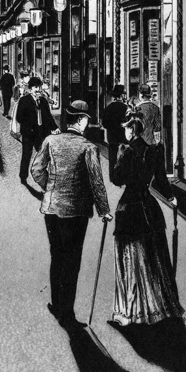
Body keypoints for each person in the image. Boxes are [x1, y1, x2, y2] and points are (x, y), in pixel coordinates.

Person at [31, 100, 112, 331]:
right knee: (72, 260)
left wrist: (50, 188)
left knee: (57, 255)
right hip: (76, 211)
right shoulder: (88, 147)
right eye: (86, 119)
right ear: (81, 120)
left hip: (52, 208)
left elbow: (36, 170)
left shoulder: (50, 141)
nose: (87, 123)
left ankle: (57, 304)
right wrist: (104, 210)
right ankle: (67, 311)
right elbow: (97, 182)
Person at [111, 114, 183, 326]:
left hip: (129, 208)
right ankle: (160, 306)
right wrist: (171, 198)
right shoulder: (152, 152)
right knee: (153, 257)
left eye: (126, 129)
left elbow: (117, 179)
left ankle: (129, 312)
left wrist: (119, 158)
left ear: (131, 131)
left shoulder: (126, 152)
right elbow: (161, 179)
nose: (124, 132)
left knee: (130, 258)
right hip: (149, 209)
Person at [15, 76, 59, 184]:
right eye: (36, 87)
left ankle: (45, 176)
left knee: (44, 154)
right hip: (28, 133)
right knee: (27, 154)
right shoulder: (24, 101)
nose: (38, 90)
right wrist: (30, 124)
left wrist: (55, 128)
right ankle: (23, 176)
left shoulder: (43, 101)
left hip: (41, 133)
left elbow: (48, 116)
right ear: (30, 89)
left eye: (39, 87)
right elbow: (19, 118)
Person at [102, 84, 128, 183]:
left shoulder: (108, 108)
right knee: (124, 156)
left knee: (112, 157)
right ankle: (123, 177)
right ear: (121, 96)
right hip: (123, 136)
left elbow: (104, 123)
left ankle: (112, 177)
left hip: (112, 136)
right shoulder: (125, 108)